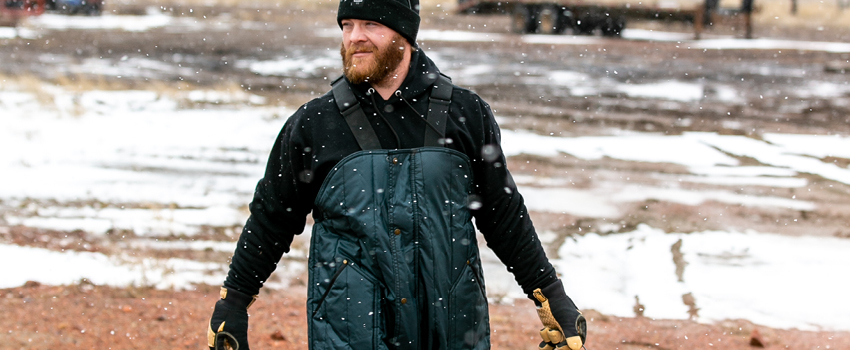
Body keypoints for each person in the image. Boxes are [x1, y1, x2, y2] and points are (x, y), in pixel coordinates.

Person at [207, 0, 587, 348]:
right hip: (349, 330)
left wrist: (550, 294)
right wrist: (235, 301)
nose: (355, 37)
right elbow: (272, 217)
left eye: (370, 24)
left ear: (404, 34)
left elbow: (503, 215)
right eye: (347, 25)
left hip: (451, 328)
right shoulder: (315, 123)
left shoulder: (465, 113)